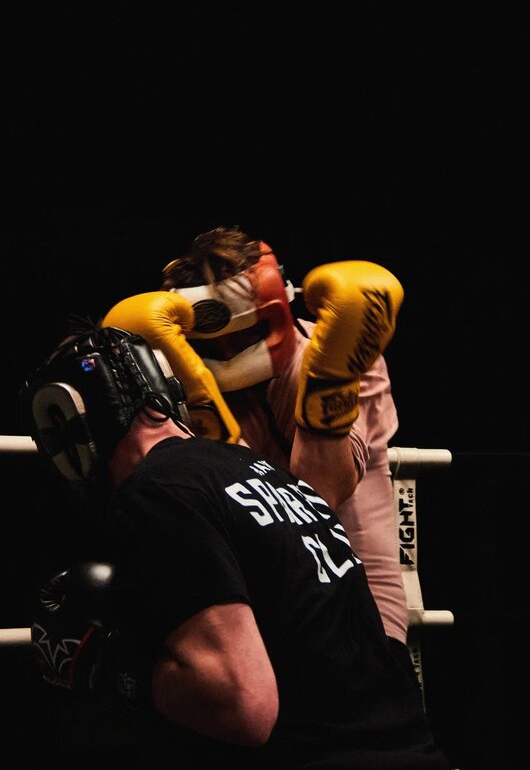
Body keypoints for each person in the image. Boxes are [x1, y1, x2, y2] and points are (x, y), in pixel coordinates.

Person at [22, 323, 453, 769]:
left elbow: (243, 707)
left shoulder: (156, 492)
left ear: (69, 419)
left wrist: (107, 663)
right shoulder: (264, 471)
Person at [102, 227, 409, 653]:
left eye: (243, 333)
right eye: (213, 338)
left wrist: (330, 378)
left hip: (356, 599)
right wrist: (197, 395)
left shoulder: (345, 346)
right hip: (246, 601)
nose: (229, 349)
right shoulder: (177, 372)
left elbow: (315, 500)